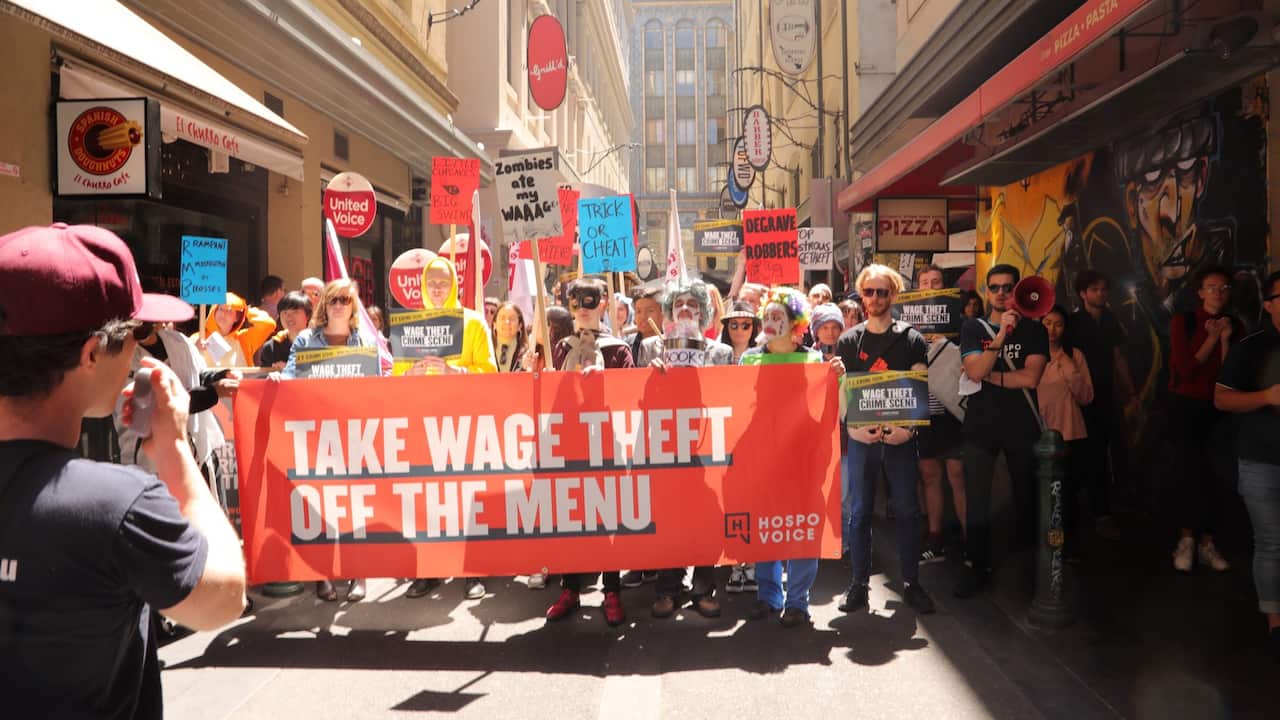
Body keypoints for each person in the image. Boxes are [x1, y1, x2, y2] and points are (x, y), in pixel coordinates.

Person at [0, 223, 246, 718]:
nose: (136, 350)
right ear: (91, 353)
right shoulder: (115, 506)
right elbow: (224, 597)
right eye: (131, 335)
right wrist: (175, 451)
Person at [742, 287, 845, 627]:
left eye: (779, 317)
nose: (771, 323)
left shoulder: (814, 361)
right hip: (763, 459)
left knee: (802, 528)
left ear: (795, 322)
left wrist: (837, 381)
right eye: (767, 317)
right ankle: (769, 596)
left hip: (803, 459)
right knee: (766, 528)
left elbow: (831, 411)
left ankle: (798, 601)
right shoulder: (749, 360)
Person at [837, 265, 936, 616]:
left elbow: (919, 387)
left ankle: (912, 583)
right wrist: (852, 430)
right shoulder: (849, 340)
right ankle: (859, 586)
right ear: (861, 295)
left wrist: (908, 430)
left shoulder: (912, 339)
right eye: (869, 292)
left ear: (893, 295)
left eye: (882, 292)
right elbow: (845, 392)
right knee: (859, 513)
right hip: (863, 439)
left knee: (908, 512)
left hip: (900, 440)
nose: (875, 299)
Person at [638, 279, 734, 620]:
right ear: (669, 312)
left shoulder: (720, 353)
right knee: (668, 518)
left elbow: (729, 400)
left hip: (706, 447)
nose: (685, 309)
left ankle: (704, 589)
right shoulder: (651, 348)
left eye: (693, 305)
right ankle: (668, 589)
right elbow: (636, 398)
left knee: (707, 518)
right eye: (678, 304)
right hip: (664, 446)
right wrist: (652, 377)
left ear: (704, 315)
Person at [281, 279, 381, 601]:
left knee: (354, 508)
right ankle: (321, 575)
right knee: (319, 508)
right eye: (333, 299)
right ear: (324, 305)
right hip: (315, 434)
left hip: (354, 435)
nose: (338, 305)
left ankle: (358, 574)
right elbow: (291, 376)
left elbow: (377, 385)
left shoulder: (366, 341)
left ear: (353, 307)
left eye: (345, 300)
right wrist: (277, 378)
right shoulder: (307, 340)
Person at [403, 257, 497, 600]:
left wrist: (456, 374)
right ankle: (428, 570)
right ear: (423, 287)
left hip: (463, 424)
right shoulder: (410, 325)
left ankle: (472, 572)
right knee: (427, 500)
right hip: (422, 424)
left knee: (467, 498)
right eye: (432, 283)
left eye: (443, 282)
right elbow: (394, 379)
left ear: (455, 284)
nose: (438, 289)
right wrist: (407, 375)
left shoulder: (473, 323)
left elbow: (490, 374)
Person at [545, 277, 635, 627]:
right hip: (570, 443)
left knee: (605, 517)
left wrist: (606, 384)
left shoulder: (617, 349)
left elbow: (628, 398)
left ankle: (611, 590)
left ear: (602, 304)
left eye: (589, 300)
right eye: (576, 302)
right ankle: (570, 587)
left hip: (606, 445)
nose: (582, 308)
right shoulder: (561, 348)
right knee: (571, 517)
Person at [955, 264, 1049, 598]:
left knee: (1026, 497)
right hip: (981, 426)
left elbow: (1031, 378)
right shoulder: (971, 327)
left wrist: (990, 377)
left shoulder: (1035, 331)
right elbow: (974, 369)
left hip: (1022, 424)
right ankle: (976, 566)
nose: (1000, 293)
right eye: (994, 287)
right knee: (977, 499)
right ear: (986, 291)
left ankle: (1027, 571)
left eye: (1007, 287)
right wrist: (998, 337)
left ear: (1017, 291)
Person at [1214, 270, 1280, 660]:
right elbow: (1222, 399)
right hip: (1260, 459)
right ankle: (1275, 622)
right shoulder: (1251, 347)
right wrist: (1268, 395)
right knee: (1272, 542)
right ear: (1269, 304)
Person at [1168, 265, 1239, 573]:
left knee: (1217, 475)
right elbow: (1186, 369)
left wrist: (1224, 340)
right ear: (1200, 292)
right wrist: (1211, 338)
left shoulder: (1235, 325)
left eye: (1224, 287)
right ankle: (1186, 540)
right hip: (1187, 406)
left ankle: (1208, 542)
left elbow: (1232, 372)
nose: (1218, 293)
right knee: (1188, 473)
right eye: (1212, 287)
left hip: (1220, 408)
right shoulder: (1183, 322)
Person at [1067, 269, 1137, 539]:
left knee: (1104, 451)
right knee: (1081, 454)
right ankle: (1087, 514)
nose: (1101, 293)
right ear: (1083, 293)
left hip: (1107, 396)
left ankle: (1102, 511)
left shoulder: (1110, 320)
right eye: (1094, 289)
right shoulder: (1072, 323)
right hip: (1079, 397)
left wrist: (1131, 392)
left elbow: (1118, 357)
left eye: (1103, 289)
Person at [913, 265, 967, 564]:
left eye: (936, 282)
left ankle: (970, 537)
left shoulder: (959, 326)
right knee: (930, 475)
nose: (931, 287)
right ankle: (935, 537)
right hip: (924, 412)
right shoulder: (908, 328)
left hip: (952, 412)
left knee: (957, 474)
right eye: (925, 283)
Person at [1038, 306, 1095, 562]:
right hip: (1037, 435)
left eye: (1058, 324)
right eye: (1047, 322)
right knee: (1041, 495)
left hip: (1069, 434)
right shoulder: (1029, 356)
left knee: (1066, 497)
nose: (1051, 329)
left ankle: (1065, 545)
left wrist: (1069, 367)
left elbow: (1087, 397)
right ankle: (1043, 546)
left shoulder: (1074, 355)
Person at [193, 292, 276, 369]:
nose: (223, 313)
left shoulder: (244, 339)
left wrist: (245, 309)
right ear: (214, 311)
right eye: (221, 309)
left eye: (229, 310)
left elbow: (268, 324)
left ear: (237, 317)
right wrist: (193, 348)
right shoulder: (199, 337)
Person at [257, 291, 313, 370]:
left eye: (295, 312)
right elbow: (263, 377)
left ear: (307, 315)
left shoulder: (320, 343)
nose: (289, 317)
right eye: (285, 312)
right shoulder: (271, 347)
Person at [719, 300, 761, 365]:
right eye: (734, 325)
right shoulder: (716, 356)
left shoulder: (761, 357)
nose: (739, 330)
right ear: (727, 327)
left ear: (753, 327)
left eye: (745, 325)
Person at [492, 301, 529, 374]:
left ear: (519, 326)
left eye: (512, 319)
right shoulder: (485, 351)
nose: (507, 322)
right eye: (502, 318)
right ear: (494, 324)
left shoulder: (527, 354)